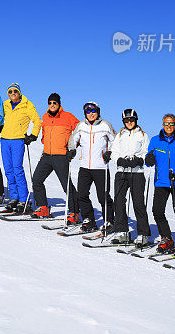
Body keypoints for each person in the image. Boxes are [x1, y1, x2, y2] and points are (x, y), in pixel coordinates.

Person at [145, 113, 175, 256]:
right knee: (157, 211)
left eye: (171, 124)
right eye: (166, 123)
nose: (168, 126)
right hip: (161, 182)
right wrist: (149, 159)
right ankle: (167, 238)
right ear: (162, 124)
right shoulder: (155, 140)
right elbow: (148, 159)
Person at [31, 93, 80, 221]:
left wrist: (73, 147)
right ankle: (43, 208)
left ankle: (74, 213)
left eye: (55, 103)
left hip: (61, 156)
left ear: (59, 104)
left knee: (66, 185)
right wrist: (44, 140)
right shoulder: (45, 117)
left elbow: (80, 131)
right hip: (47, 155)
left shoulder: (68, 117)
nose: (52, 105)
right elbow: (44, 133)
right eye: (50, 103)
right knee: (36, 180)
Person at [71, 101, 116, 233]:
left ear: (98, 112)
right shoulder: (81, 126)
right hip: (85, 166)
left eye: (94, 111)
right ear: (85, 113)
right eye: (88, 111)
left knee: (103, 196)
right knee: (82, 195)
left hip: (101, 167)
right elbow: (73, 139)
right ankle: (89, 220)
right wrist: (72, 149)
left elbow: (115, 141)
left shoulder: (105, 125)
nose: (91, 114)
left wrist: (110, 152)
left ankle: (109, 221)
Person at [110, 109, 151, 245]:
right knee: (119, 201)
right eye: (126, 120)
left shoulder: (143, 135)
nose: (129, 122)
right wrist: (119, 160)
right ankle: (122, 232)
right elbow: (114, 151)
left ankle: (143, 234)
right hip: (121, 172)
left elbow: (146, 151)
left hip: (137, 172)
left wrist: (140, 160)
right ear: (123, 121)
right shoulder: (119, 135)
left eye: (132, 120)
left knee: (138, 203)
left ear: (136, 120)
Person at [0, 83, 41, 212]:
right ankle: (14, 198)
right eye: (10, 91)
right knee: (8, 169)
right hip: (5, 140)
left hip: (18, 140)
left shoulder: (27, 105)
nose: (13, 93)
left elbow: (37, 121)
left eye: (15, 91)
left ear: (19, 93)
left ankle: (24, 200)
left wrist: (33, 135)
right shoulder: (5, 105)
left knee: (17, 169)